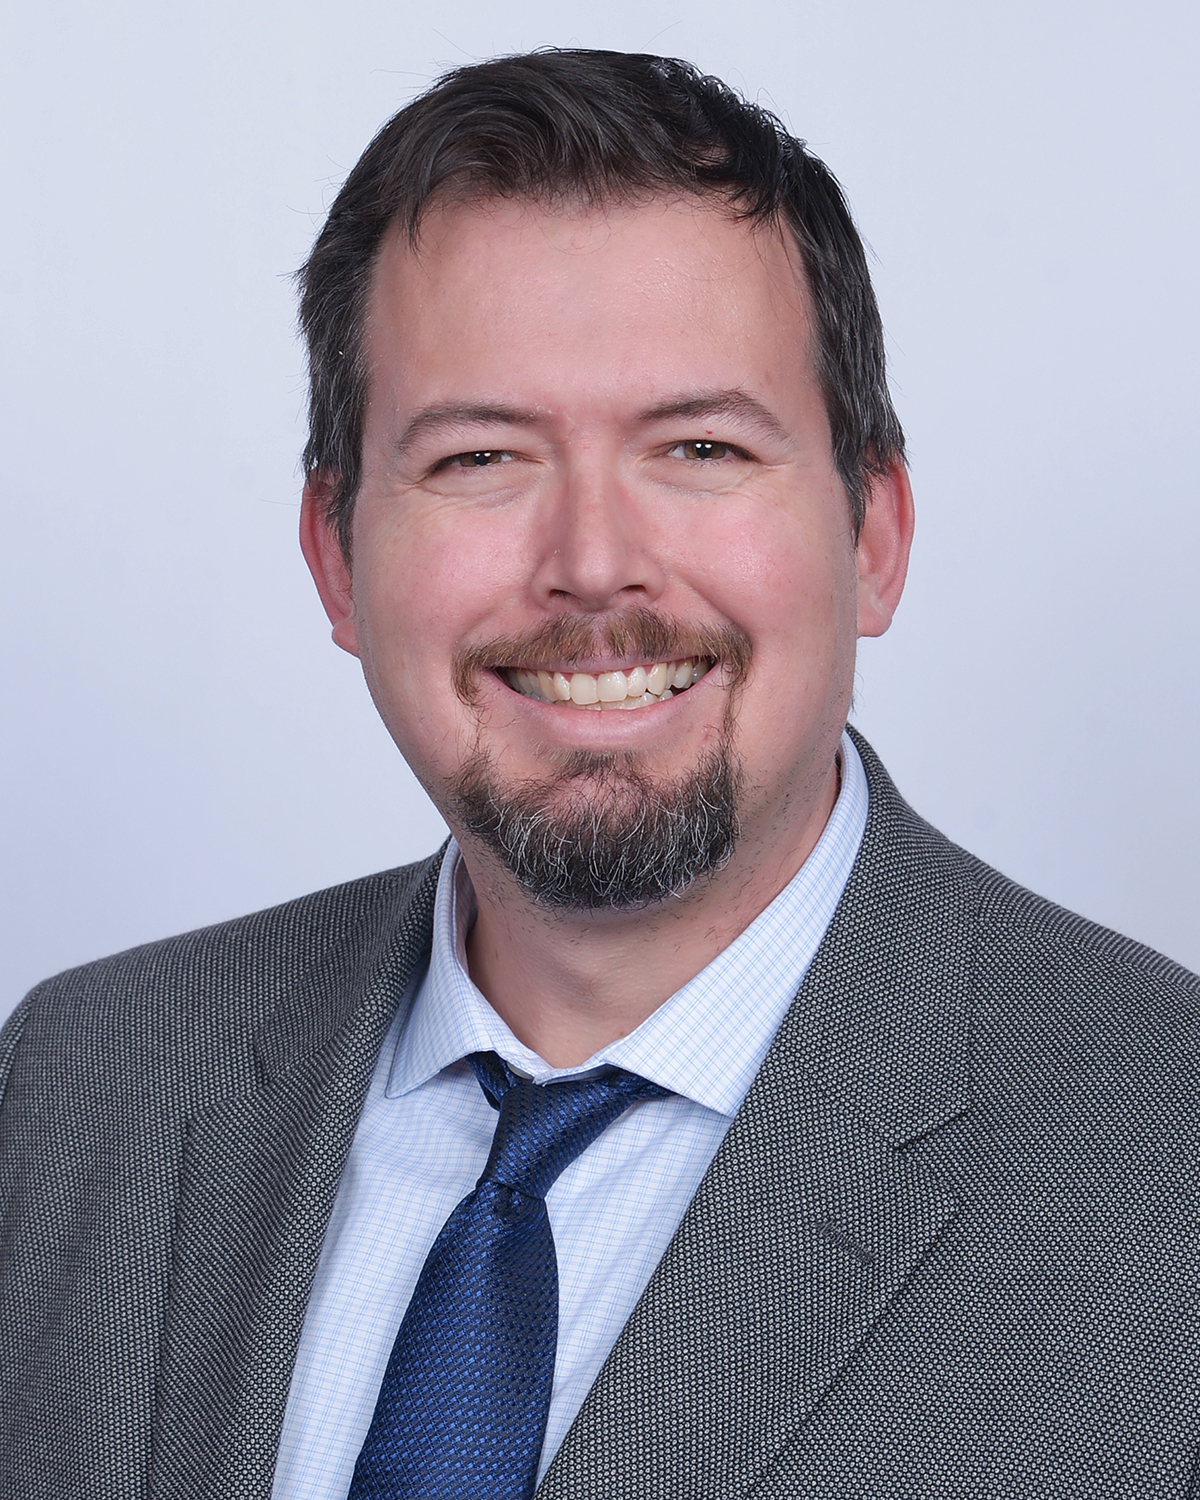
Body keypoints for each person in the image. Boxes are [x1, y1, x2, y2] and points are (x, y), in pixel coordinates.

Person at [2, 47, 1198, 1500]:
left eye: (698, 446)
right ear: (336, 557)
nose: (592, 566)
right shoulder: (86, 1081)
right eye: (480, 459)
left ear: (874, 536)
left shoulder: (1163, 1162)